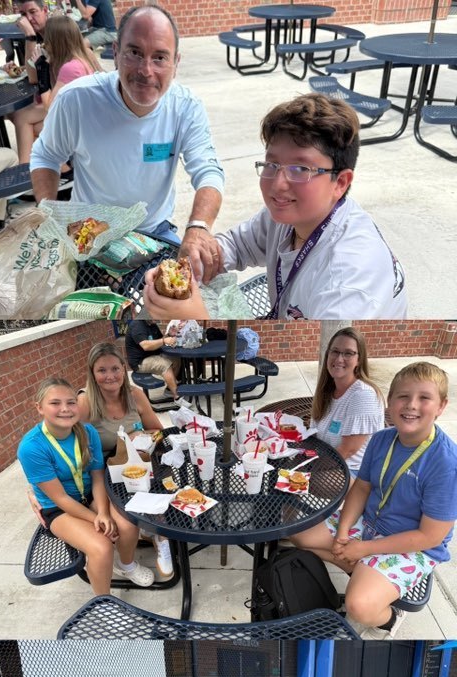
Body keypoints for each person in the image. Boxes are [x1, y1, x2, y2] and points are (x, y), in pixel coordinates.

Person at [145, 94, 407, 322]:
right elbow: (237, 245)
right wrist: (192, 264)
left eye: (300, 169)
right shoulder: (290, 215)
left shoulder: (348, 283)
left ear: (340, 182)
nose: (278, 184)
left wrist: (197, 319)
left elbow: (319, 357)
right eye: (271, 165)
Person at [30, 5, 224, 279]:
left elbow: (209, 172)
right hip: (88, 231)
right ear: (116, 52)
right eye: (134, 53)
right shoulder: (77, 100)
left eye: (159, 58)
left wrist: (199, 227)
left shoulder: (185, 107)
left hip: (154, 231)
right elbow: (46, 156)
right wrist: (51, 215)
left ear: (176, 64)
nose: (146, 70)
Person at [290, 362, 457, 639]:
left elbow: (430, 537)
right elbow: (361, 489)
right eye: (403, 396)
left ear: (441, 406)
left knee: (359, 607)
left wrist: (365, 548)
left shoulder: (446, 463)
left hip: (412, 544)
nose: (411, 405)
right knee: (298, 534)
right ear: (389, 401)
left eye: (424, 398)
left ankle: (390, 617)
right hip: (369, 524)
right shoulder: (381, 440)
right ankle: (361, 569)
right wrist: (344, 535)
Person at [18, 377, 156, 592]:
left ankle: (126, 565)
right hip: (59, 509)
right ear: (40, 408)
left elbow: (98, 476)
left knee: (128, 524)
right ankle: (103, 602)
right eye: (55, 403)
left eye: (71, 402)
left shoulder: (88, 432)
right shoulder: (31, 447)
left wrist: (102, 511)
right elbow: (60, 498)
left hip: (91, 496)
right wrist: (97, 519)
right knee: (101, 548)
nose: (65, 409)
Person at [77, 342, 172, 578]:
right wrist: (34, 490)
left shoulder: (135, 394)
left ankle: (158, 534)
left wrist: (139, 437)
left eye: (115, 368)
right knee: (127, 523)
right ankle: (128, 563)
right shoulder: (85, 402)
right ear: (92, 373)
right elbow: (62, 444)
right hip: (106, 475)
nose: (110, 376)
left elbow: (158, 430)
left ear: (123, 368)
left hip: (140, 467)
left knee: (174, 489)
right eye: (102, 370)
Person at [12, 15, 100, 164]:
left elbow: (50, 107)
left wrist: (42, 70)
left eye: (47, 38)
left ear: (55, 40)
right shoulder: (82, 56)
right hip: (83, 118)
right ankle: (58, 169)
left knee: (23, 118)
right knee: (28, 122)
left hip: (79, 126)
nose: (45, 42)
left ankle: (26, 168)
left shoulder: (70, 67)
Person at [309, 327, 385, 478]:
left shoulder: (363, 395)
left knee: (301, 479)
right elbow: (314, 432)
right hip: (329, 461)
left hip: (355, 471)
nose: (339, 359)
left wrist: (308, 468)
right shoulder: (328, 390)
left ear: (359, 359)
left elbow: (348, 450)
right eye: (335, 351)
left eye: (348, 353)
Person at [124, 320, 182, 399]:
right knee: (164, 364)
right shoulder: (137, 325)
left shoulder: (152, 324)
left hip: (152, 356)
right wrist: (164, 341)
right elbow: (146, 346)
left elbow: (159, 340)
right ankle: (177, 397)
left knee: (175, 359)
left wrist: (169, 335)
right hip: (140, 362)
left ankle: (169, 390)